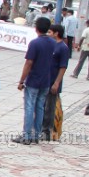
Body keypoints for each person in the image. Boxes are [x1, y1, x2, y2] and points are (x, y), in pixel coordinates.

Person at [14, 16, 55, 144]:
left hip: (33, 80)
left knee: (29, 107)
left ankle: (26, 135)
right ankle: (36, 135)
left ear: (36, 28)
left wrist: (21, 80)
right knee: (40, 108)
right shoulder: (53, 43)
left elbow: (28, 63)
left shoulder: (35, 43)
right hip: (46, 80)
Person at [43, 24, 71, 141]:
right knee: (43, 106)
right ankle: (42, 128)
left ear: (56, 33)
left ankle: (49, 131)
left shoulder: (63, 48)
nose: (48, 34)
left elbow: (63, 67)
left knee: (51, 107)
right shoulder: (51, 45)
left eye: (50, 32)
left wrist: (57, 82)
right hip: (45, 81)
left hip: (54, 82)